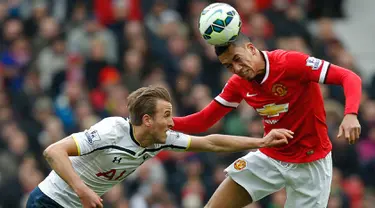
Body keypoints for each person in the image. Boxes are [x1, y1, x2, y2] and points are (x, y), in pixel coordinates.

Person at [172, 33, 362, 208]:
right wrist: (167, 123)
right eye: (229, 66)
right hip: (270, 157)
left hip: (311, 163)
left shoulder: (290, 63)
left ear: (251, 48)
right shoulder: (238, 83)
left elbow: (349, 77)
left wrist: (350, 114)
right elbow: (204, 120)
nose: (236, 68)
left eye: (237, 59)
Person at [26, 86, 293, 208]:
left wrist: (260, 141)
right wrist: (82, 190)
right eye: (166, 115)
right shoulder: (110, 131)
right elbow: (53, 152)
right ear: (147, 119)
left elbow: (210, 142)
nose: (171, 121)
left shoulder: (161, 138)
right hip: (49, 201)